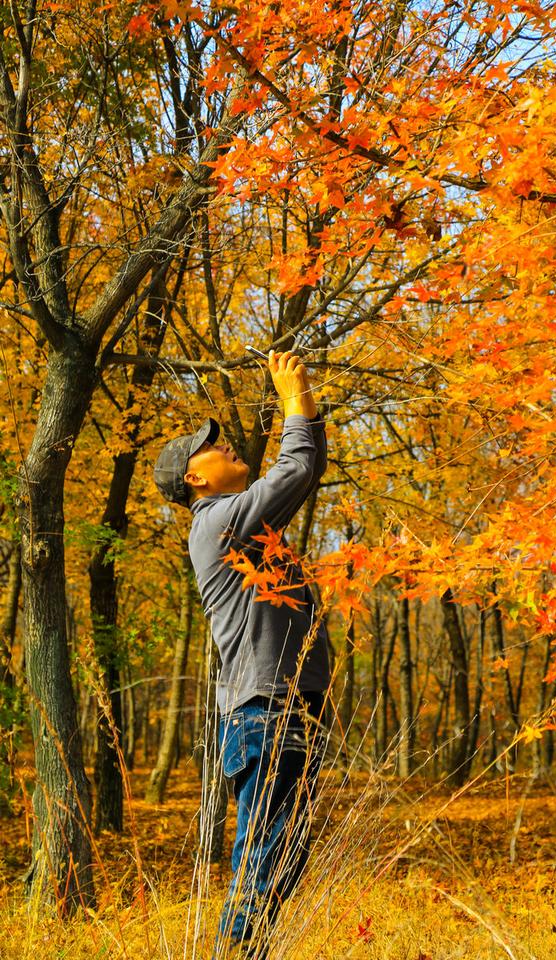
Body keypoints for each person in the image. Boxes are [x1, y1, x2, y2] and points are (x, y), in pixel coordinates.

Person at [153, 350, 330, 959]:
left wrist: (304, 405)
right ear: (194, 480)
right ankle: (235, 952)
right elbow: (294, 471)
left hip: (285, 705)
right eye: (209, 447)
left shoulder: (240, 524)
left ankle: (247, 949)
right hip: (264, 709)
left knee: (283, 853)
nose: (223, 443)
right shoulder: (217, 523)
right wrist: (292, 399)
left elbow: (306, 466)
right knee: (266, 855)